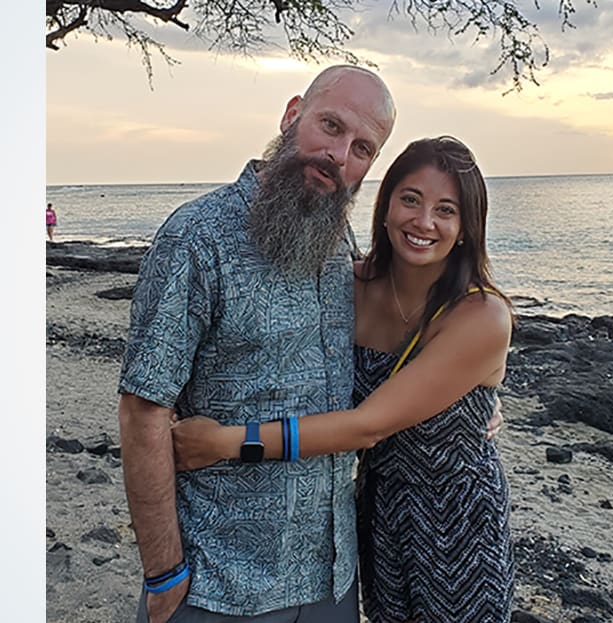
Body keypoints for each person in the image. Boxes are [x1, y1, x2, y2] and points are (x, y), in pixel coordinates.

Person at [172, 136, 515, 622]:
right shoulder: (346, 285)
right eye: (410, 200)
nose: (424, 222)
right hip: (374, 510)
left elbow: (367, 424)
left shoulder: (481, 314)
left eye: (446, 210)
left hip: (457, 519)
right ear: (386, 204)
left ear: (465, 228)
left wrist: (227, 442)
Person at [117, 65, 397, 623]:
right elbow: (143, 411)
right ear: (293, 114)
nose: (340, 155)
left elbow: (396, 325)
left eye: (363, 147)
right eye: (330, 126)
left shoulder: (336, 236)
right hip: (221, 582)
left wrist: (478, 390)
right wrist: (164, 573)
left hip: (332, 579)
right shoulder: (198, 237)